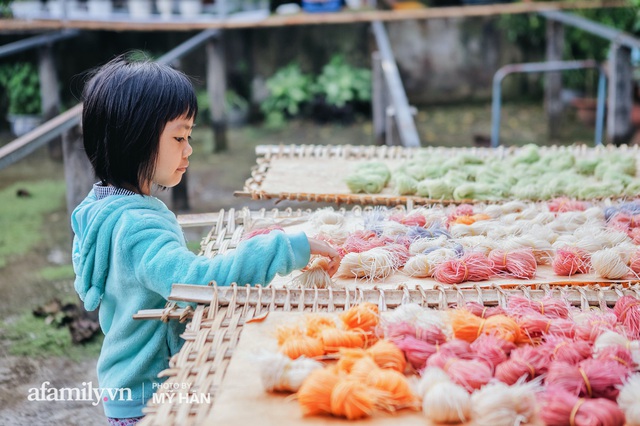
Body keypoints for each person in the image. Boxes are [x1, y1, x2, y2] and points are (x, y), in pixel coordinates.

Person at [71, 55, 340, 425]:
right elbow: (194, 282)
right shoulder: (137, 227)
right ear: (134, 139)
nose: (189, 148)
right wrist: (285, 248)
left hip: (125, 387)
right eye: (179, 136)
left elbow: (163, 273)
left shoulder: (103, 209)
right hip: (150, 395)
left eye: (189, 136)